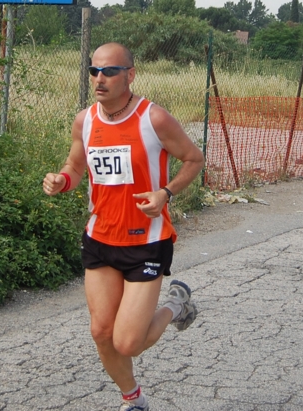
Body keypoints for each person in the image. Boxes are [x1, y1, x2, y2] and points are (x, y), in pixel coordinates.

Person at [42, 42, 205, 411]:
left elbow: (194, 159)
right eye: (94, 71)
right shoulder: (85, 120)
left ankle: (176, 306)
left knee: (128, 342)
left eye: (110, 71)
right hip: (100, 237)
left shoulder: (154, 118)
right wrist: (60, 181)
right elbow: (75, 166)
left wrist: (166, 192)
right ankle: (134, 400)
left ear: (130, 75)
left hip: (146, 241)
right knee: (101, 332)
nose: (100, 79)